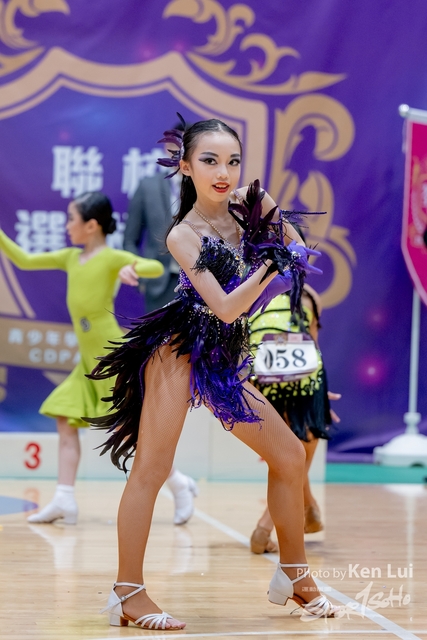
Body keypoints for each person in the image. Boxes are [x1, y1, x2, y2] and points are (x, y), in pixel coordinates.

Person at [89, 118, 340, 630]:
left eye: (232, 161)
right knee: (151, 470)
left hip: (224, 357)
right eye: (209, 161)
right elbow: (225, 307)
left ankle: (294, 575)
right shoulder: (182, 234)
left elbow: (297, 252)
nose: (223, 173)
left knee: (290, 456)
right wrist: (270, 263)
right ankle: (127, 593)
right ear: (186, 167)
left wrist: (274, 230)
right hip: (179, 351)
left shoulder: (251, 203)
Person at [0, 192, 163, 525]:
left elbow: (156, 266)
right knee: (65, 416)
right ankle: (64, 499)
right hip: (87, 361)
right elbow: (24, 260)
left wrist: (132, 266)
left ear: (91, 225)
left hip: (109, 356)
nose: (66, 225)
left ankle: (179, 483)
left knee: (130, 431)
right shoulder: (71, 258)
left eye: (71, 219)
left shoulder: (112, 257)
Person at [123, 121, 198, 525]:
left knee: (183, 386)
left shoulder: (205, 190)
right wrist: (132, 268)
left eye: (182, 150)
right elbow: (129, 238)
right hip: (157, 291)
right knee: (153, 389)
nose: (176, 157)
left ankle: (177, 481)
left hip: (201, 294)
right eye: (171, 150)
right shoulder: (148, 187)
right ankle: (177, 481)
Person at [248, 278, 341, 554]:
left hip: (260, 375)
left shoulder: (250, 287)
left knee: (287, 454)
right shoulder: (309, 295)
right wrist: (319, 393)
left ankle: (309, 509)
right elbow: (312, 346)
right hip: (303, 375)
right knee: (299, 452)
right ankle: (265, 527)